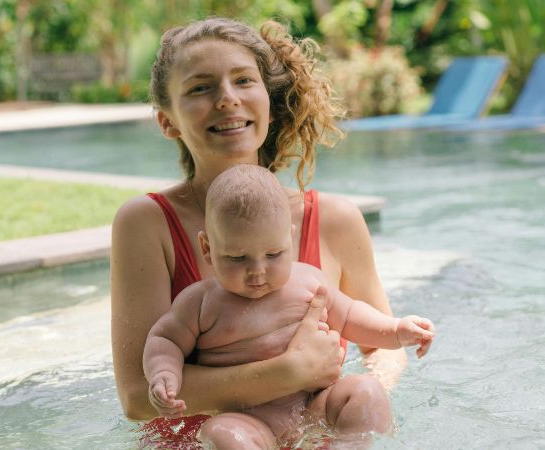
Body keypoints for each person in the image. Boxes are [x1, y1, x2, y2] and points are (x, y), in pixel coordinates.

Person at [110, 16, 408, 445]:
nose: (227, 99)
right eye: (200, 88)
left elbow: (383, 348)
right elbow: (138, 398)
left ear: (268, 100)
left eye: (243, 81)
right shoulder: (147, 223)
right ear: (167, 121)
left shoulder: (336, 220)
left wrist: (352, 412)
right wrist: (284, 374)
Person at [142, 164, 435, 448]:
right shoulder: (199, 302)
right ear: (207, 248)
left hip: (315, 405)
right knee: (221, 432)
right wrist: (164, 374)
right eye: (237, 258)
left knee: (366, 391)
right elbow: (164, 338)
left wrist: (395, 329)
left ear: (288, 239)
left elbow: (350, 315)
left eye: (273, 254)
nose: (257, 270)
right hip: (249, 418)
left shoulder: (308, 281)